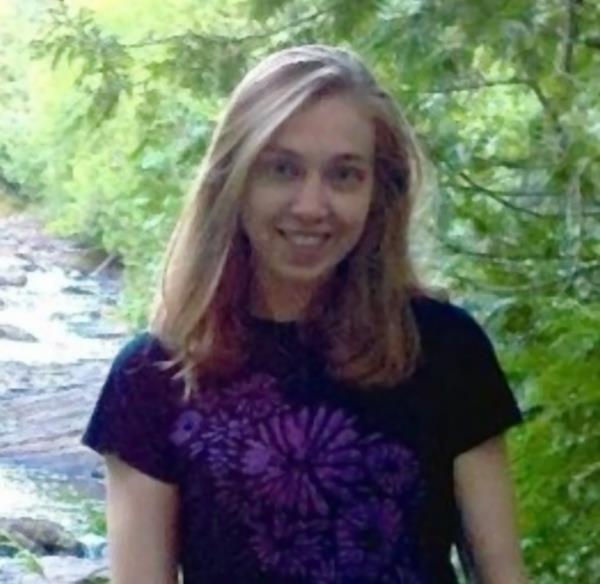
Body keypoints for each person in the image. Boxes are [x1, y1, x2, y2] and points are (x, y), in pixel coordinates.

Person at [82, 44, 527, 583]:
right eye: (282, 169)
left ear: (379, 192)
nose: (312, 206)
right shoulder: (154, 375)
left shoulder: (444, 349)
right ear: (233, 181)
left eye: (344, 175)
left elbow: (504, 576)